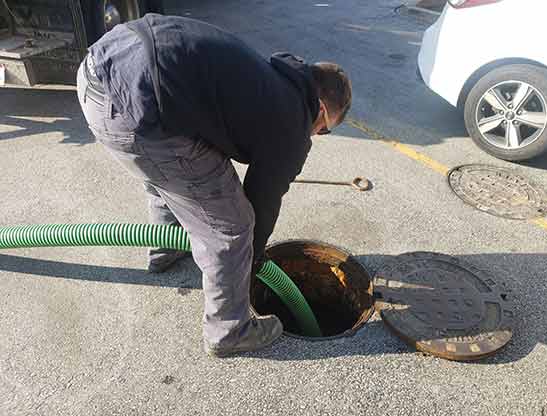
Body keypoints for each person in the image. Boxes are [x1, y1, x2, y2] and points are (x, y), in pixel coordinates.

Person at [76, 14, 352, 357]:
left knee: (173, 175)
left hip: (103, 68)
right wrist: (251, 261)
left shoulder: (272, 79)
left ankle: (167, 250)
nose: (318, 134)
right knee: (232, 227)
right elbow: (261, 202)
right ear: (321, 109)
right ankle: (229, 330)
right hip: (133, 107)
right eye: (325, 129)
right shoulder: (293, 123)